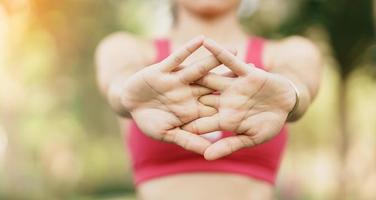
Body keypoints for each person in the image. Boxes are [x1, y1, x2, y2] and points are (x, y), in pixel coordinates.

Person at [95, 0, 322, 199]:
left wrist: (291, 95)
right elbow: (119, 83)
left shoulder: (291, 52)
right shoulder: (126, 49)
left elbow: (298, 84)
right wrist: (127, 95)